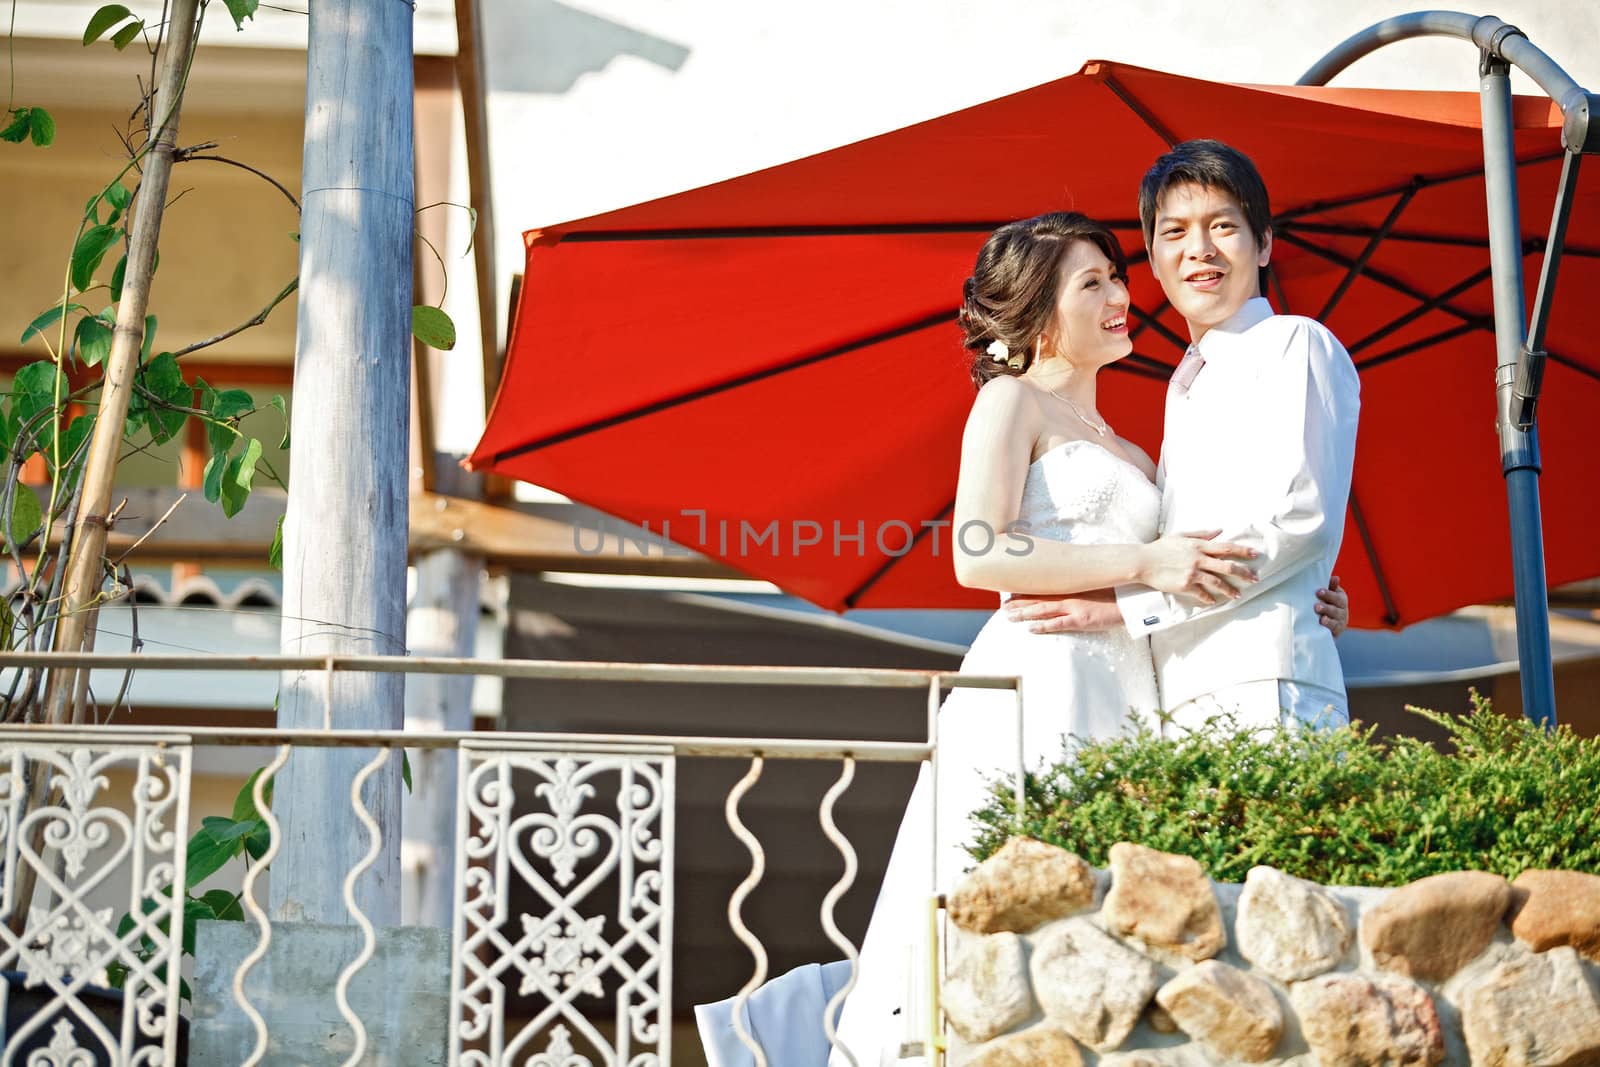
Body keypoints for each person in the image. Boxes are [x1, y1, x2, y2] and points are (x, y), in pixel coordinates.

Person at [810, 207, 1350, 1067]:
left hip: (1134, 686)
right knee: (1005, 888)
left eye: (1116, 276)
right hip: (1040, 669)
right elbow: (975, 551)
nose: (1121, 295)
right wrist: (1145, 555)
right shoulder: (1009, 400)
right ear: (1036, 310)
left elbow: (1192, 561)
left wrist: (1297, 589)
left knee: (1104, 912)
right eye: (1092, 282)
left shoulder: (1141, 452)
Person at [1006, 140, 1361, 732]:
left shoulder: (1294, 342)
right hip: (1174, 691)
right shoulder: (1185, 383)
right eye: (1175, 233)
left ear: (1264, 243)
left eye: (1223, 226)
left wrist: (1124, 610)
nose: (1200, 250)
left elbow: (1297, 519)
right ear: (1152, 253)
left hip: (1262, 680)